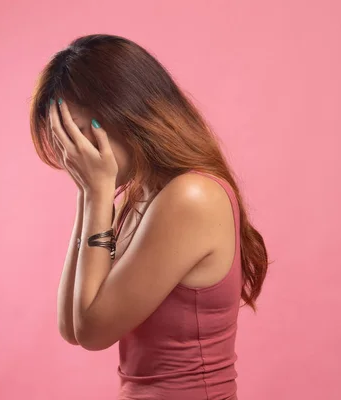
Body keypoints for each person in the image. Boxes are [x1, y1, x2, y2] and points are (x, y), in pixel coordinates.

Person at [29, 34, 268, 400]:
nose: (72, 155)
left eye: (79, 134)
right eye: (64, 141)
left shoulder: (191, 197)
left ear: (125, 113)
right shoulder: (142, 194)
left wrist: (95, 195)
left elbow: (94, 332)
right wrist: (88, 193)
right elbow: (72, 326)